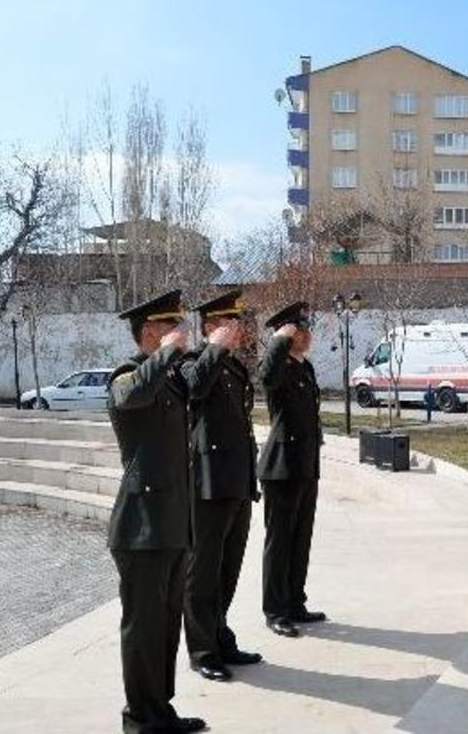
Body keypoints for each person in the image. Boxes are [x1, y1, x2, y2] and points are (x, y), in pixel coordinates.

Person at [106, 289, 206, 734]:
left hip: (172, 522)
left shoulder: (169, 378)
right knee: (143, 627)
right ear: (150, 332)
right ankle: (139, 718)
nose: (180, 332)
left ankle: (160, 709)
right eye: (171, 326)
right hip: (141, 527)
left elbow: (199, 382)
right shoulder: (126, 377)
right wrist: (164, 356)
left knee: (166, 626)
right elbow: (131, 399)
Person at [181, 291, 262, 683]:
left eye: (239, 322)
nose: (239, 329)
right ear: (211, 326)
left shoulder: (232, 366)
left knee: (228, 568)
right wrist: (213, 349)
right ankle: (202, 650)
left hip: (236, 479)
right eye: (230, 323)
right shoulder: (195, 361)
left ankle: (220, 634)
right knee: (203, 572)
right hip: (209, 482)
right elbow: (194, 389)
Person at [257, 301, 326, 638]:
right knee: (280, 541)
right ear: (288, 333)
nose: (307, 333)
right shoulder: (279, 366)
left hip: (305, 463)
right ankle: (275, 610)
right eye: (300, 329)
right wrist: (278, 341)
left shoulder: (305, 367)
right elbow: (265, 377)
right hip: (281, 466)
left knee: (301, 539)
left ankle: (295, 601)